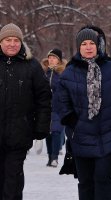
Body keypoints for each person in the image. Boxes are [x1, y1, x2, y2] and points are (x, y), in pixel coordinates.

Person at [57, 25, 111, 200]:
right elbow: (61, 101)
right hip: (80, 135)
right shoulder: (69, 72)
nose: (88, 47)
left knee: (103, 179)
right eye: (84, 43)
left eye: (91, 43)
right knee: (85, 182)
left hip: (108, 134)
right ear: (79, 47)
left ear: (98, 45)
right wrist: (72, 121)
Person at [0, 23, 51, 200]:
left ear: (21, 43)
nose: (12, 44)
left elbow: (44, 98)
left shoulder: (32, 66)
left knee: (12, 182)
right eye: (8, 40)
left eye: (16, 40)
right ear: (1, 42)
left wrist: (41, 127)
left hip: (19, 135)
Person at [41, 48, 67, 167]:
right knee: (48, 133)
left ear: (59, 60)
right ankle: (49, 156)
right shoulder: (44, 73)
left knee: (56, 131)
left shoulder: (63, 73)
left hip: (58, 107)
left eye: (54, 57)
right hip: (46, 108)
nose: (51, 59)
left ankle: (55, 158)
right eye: (50, 57)